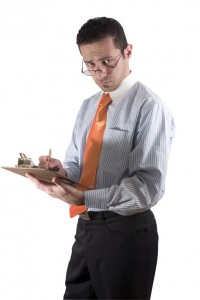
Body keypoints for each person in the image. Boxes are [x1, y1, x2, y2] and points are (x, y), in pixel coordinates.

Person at [27, 17, 175, 300]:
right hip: (86, 228)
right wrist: (61, 171)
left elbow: (148, 188)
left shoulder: (150, 107)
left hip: (126, 233)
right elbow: (77, 165)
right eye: (90, 65)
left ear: (127, 51)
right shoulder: (88, 106)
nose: (100, 73)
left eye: (108, 61)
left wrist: (86, 198)